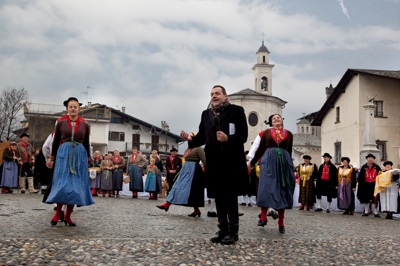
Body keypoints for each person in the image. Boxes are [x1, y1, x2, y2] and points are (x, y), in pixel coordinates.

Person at [180, 85, 248, 245]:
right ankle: (222, 230)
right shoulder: (206, 114)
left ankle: (233, 232)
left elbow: (243, 136)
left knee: (230, 196)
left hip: (231, 160)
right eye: (212, 94)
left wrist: (228, 139)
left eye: (217, 93)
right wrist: (189, 139)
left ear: (226, 96)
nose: (214, 96)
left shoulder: (237, 111)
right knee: (218, 196)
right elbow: (201, 138)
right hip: (214, 160)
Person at [45, 97, 94, 226]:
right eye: (70, 106)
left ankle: (68, 216)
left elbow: (86, 143)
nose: (73, 108)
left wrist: (89, 157)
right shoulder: (60, 123)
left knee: (75, 187)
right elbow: (55, 142)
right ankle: (58, 213)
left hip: (79, 155)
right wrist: (52, 157)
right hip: (64, 154)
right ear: (67, 108)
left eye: (75, 107)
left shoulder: (85, 125)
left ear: (79, 109)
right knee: (62, 184)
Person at [249, 114, 295, 234]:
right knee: (266, 187)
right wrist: (252, 162)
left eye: (278, 117)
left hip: (283, 162)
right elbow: (259, 149)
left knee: (282, 189)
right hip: (269, 161)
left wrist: (290, 164)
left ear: (282, 120)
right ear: (271, 122)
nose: (276, 119)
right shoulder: (266, 133)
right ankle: (263, 217)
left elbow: (289, 150)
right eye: (274, 118)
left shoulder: (289, 134)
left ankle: (281, 222)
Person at [156, 146, 206, 217]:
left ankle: (196, 210)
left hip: (194, 170)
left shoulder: (198, 149)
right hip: (185, 169)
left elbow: (205, 160)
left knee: (191, 191)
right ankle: (167, 204)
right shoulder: (188, 148)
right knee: (177, 186)